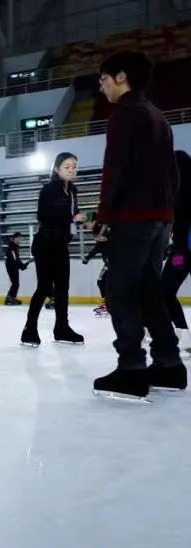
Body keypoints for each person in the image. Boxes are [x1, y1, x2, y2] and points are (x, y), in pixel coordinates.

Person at [92, 50, 185, 399]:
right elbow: (173, 175)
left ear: (121, 77)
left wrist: (103, 216)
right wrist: (168, 214)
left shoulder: (125, 115)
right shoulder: (159, 117)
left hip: (133, 217)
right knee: (149, 289)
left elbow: (115, 169)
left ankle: (131, 367)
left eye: (103, 79)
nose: (101, 87)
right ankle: (169, 363)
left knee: (120, 290)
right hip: (160, 218)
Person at [20, 153, 86, 347]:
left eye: (74, 166)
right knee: (44, 287)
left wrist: (83, 221)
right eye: (67, 166)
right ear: (57, 169)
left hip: (60, 244)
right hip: (45, 244)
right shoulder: (49, 189)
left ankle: (62, 328)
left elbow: (72, 214)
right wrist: (71, 218)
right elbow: (44, 214)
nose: (71, 170)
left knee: (63, 289)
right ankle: (29, 330)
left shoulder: (72, 190)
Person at [160, 150, 191, 354]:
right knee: (165, 291)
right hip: (181, 250)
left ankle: (184, 335)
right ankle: (184, 335)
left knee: (165, 290)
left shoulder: (178, 193)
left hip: (183, 252)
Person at [82, 222, 110, 317]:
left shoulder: (112, 240)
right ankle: (107, 303)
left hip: (115, 265)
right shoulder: (100, 244)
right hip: (109, 265)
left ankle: (109, 304)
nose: (96, 238)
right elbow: (95, 250)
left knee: (104, 282)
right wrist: (87, 258)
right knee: (102, 282)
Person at [4, 232, 28, 305]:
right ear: (14, 238)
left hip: (14, 267)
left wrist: (21, 265)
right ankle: (10, 298)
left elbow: (16, 258)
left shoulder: (15, 246)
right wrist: (21, 266)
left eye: (20, 238)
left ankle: (11, 297)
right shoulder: (12, 246)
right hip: (11, 267)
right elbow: (14, 258)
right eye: (18, 238)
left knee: (15, 284)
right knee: (15, 283)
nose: (19, 239)